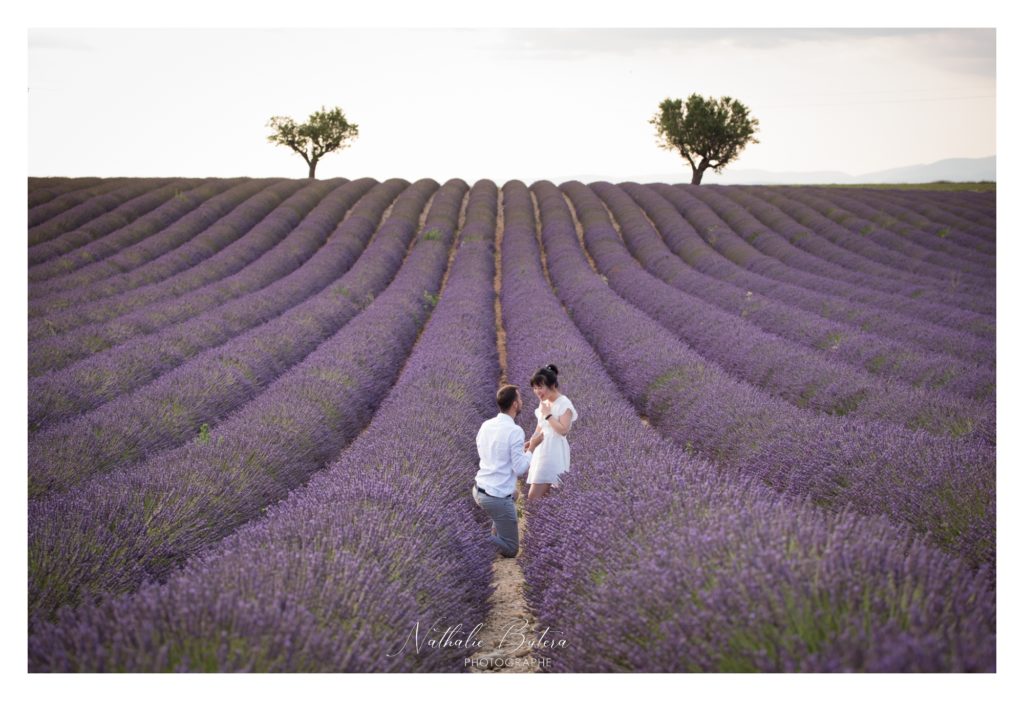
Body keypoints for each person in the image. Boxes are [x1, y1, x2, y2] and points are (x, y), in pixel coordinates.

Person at [473, 384, 537, 557]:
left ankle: (494, 531)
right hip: (496, 497)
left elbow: (489, 453)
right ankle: (474, 537)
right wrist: (532, 450)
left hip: (479, 490)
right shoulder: (515, 431)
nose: (522, 401)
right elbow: (520, 468)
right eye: (520, 398)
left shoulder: (486, 425)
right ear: (515, 404)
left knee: (514, 494)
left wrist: (521, 452)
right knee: (510, 549)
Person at [525, 364, 577, 501]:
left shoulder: (564, 404)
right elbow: (540, 426)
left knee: (534, 496)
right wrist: (531, 442)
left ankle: (535, 521)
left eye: (540, 387)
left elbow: (564, 430)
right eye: (534, 388)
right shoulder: (544, 402)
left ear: (552, 385)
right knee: (544, 496)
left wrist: (548, 415)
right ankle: (539, 522)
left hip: (553, 451)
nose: (537, 391)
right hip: (542, 449)